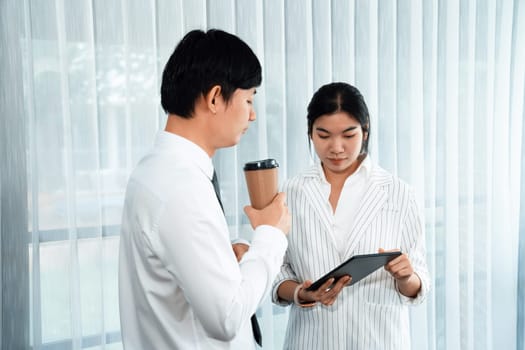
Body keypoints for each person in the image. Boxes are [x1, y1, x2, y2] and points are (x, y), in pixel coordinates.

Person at [118, 29, 290, 349]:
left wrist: (228, 256)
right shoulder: (181, 188)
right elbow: (225, 318)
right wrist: (271, 234)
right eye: (249, 99)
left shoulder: (157, 171)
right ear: (214, 98)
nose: (252, 114)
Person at [271, 82, 430, 349]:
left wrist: (406, 277)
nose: (336, 147)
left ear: (365, 130)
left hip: (379, 340)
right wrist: (301, 292)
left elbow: (419, 284)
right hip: (311, 340)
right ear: (310, 133)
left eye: (348, 135)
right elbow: (277, 269)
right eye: (323, 135)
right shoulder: (291, 191)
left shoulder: (399, 193)